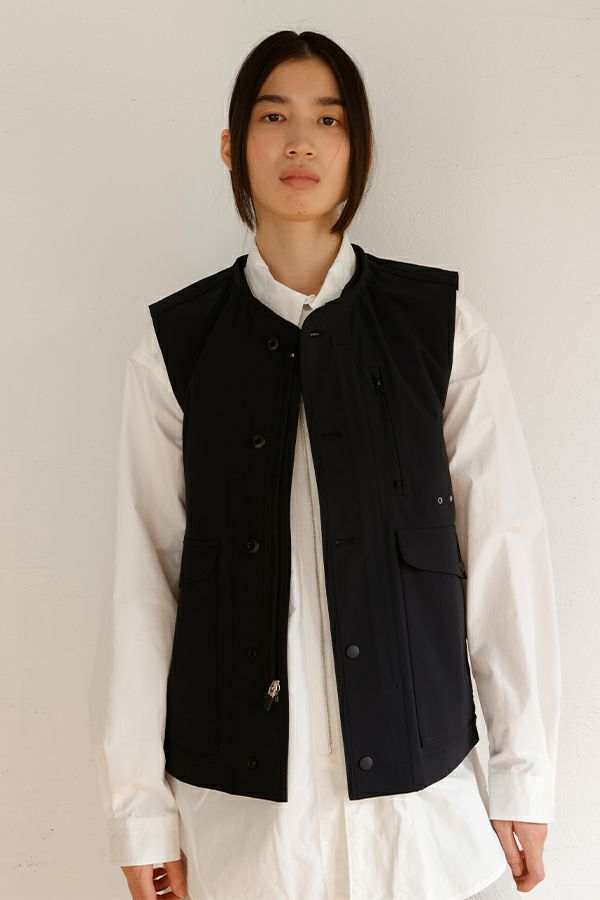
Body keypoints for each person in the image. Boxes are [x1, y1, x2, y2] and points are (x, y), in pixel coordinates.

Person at [89, 29, 561, 900]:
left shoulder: (441, 330)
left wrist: (523, 775)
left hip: (426, 826)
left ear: (359, 149)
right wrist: (140, 815)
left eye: (329, 120)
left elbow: (505, 548)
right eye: (274, 117)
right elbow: (141, 586)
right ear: (233, 146)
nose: (300, 142)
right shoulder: (176, 350)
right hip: (245, 834)